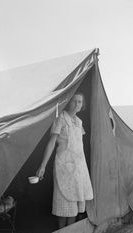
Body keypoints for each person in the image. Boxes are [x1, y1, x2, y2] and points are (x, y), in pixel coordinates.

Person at [36, 92, 93, 229]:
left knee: (74, 203)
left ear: (82, 105)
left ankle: (70, 230)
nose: (76, 104)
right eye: (74, 101)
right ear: (68, 102)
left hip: (79, 167)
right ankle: (61, 230)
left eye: (79, 102)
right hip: (64, 165)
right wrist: (42, 165)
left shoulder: (79, 122)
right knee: (64, 203)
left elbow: (79, 145)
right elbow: (51, 142)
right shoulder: (60, 118)